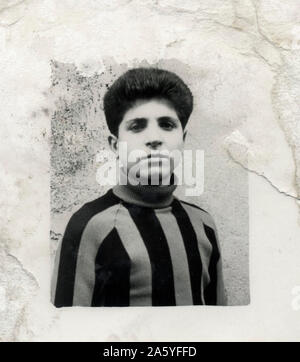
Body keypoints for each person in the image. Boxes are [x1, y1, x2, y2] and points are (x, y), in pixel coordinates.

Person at [51, 67, 227, 307]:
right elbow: (64, 329)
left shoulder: (203, 224)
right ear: (115, 145)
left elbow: (220, 323)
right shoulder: (89, 225)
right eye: (137, 126)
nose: (154, 138)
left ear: (183, 139)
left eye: (166, 124)